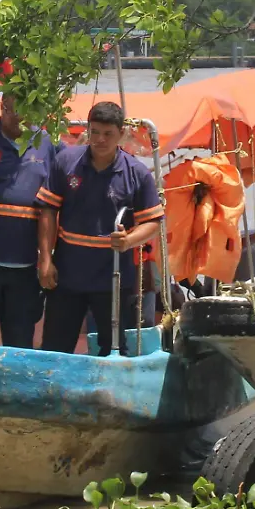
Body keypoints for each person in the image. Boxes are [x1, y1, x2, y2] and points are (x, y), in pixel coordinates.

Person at [36, 101, 164, 355]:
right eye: (95, 132)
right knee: (54, 348)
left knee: (115, 350)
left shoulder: (137, 173)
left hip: (114, 280)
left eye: (108, 134)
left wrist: (128, 240)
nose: (100, 139)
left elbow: (153, 222)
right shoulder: (66, 161)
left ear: (121, 134)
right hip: (67, 277)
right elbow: (48, 210)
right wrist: (45, 261)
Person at [0, 95, 54, 347]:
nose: (20, 119)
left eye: (28, 113)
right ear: (2, 107)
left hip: (26, 267)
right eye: (14, 111)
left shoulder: (46, 143)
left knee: (20, 344)